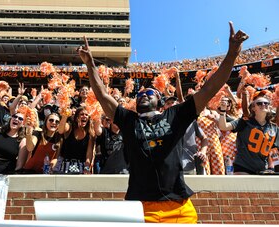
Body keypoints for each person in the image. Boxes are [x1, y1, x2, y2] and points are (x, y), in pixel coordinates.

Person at [78, 22, 248, 223]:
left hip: (178, 207)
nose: (144, 95)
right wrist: (90, 64)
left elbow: (209, 89)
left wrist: (232, 54)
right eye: (140, 94)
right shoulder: (128, 120)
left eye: (150, 93)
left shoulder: (176, 115)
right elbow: (102, 95)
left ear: (159, 101)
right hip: (141, 206)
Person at [219, 94, 279, 174]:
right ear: (253, 108)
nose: (263, 105)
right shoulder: (245, 122)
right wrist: (223, 110)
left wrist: (271, 168)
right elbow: (223, 126)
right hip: (243, 166)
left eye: (266, 103)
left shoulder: (274, 128)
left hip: (262, 169)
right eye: (259, 103)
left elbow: (273, 151)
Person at [58, 106, 95, 174]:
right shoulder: (69, 127)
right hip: (65, 166)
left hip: (81, 167)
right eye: (82, 114)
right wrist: (65, 116)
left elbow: (89, 154)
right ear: (77, 117)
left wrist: (87, 168)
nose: (84, 116)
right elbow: (60, 130)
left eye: (86, 115)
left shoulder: (90, 134)